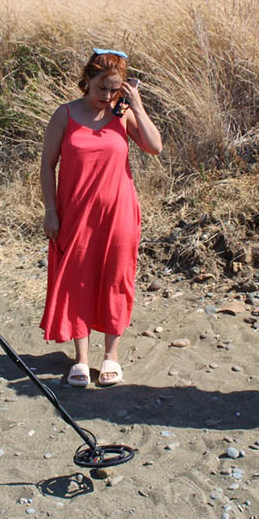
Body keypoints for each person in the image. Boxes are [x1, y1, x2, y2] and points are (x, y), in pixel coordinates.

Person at [39, 49, 163, 388]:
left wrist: (136, 104)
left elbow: (155, 147)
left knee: (116, 278)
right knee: (77, 278)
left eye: (114, 89)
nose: (106, 97)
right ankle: (81, 359)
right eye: (101, 89)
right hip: (75, 212)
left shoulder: (121, 114)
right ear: (87, 81)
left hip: (119, 211)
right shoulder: (64, 115)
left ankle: (112, 356)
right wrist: (51, 211)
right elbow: (47, 165)